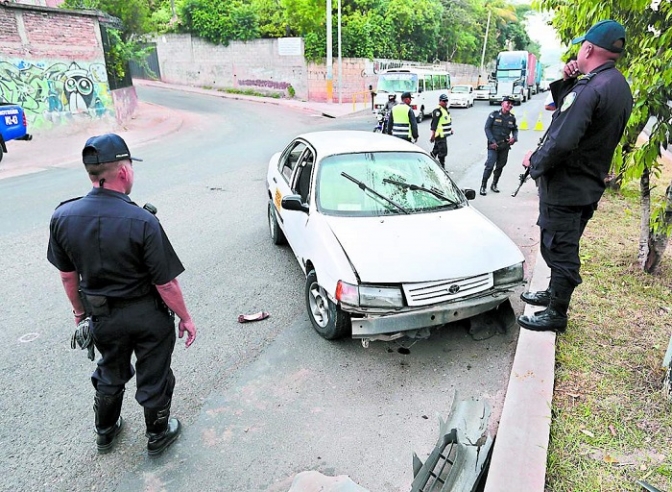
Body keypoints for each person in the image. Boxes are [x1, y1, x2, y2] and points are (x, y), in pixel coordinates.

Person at [47, 133, 197, 456]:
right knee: (154, 373)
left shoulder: (62, 217)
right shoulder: (143, 221)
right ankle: (157, 434)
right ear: (124, 173)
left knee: (110, 372)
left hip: (102, 316)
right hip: (148, 316)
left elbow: (67, 275)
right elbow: (166, 284)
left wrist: (79, 313)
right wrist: (185, 317)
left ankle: (105, 431)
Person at [518, 20, 633, 333]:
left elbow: (563, 138)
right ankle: (552, 294)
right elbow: (577, 121)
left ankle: (556, 313)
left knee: (559, 248)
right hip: (586, 183)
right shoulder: (616, 84)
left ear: (589, 48)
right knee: (560, 243)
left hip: (567, 186)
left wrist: (535, 162)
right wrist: (570, 79)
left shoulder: (590, 88)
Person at [480, 96, 518, 195]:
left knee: (500, 166)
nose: (510, 105)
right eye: (508, 103)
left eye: (511, 104)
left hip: (504, 146)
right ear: (502, 104)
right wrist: (492, 141)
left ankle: (494, 184)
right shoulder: (494, 115)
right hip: (493, 146)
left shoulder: (512, 118)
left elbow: (515, 129)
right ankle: (483, 186)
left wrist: (514, 138)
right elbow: (487, 128)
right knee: (490, 165)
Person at [429, 93, 453, 168]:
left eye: (446, 101)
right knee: (443, 151)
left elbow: (446, 121)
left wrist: (450, 130)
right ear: (440, 101)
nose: (445, 102)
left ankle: (429, 162)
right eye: (444, 101)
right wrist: (433, 135)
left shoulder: (444, 110)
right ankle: (442, 166)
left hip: (443, 135)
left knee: (436, 150)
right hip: (439, 135)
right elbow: (434, 124)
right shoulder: (438, 111)